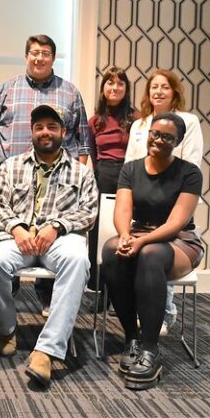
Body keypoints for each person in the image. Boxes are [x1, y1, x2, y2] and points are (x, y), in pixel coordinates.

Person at [0, 105, 97, 387]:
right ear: (32, 132)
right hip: (16, 239)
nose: (45, 132)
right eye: (40, 127)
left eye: (52, 127)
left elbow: (89, 211)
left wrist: (56, 227)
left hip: (60, 240)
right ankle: (7, 329)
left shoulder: (81, 172)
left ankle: (47, 350)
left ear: (63, 132)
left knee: (78, 259)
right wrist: (16, 229)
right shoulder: (10, 166)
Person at [0, 34, 91, 316]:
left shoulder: (70, 93)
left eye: (45, 53)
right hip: (10, 175)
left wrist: (78, 172)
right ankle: (5, 296)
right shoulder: (6, 88)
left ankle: (48, 298)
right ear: (26, 56)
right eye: (34, 52)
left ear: (53, 58)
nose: (39, 58)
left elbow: (82, 138)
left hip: (58, 179)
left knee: (51, 241)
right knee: (10, 239)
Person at [101, 112, 204, 390]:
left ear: (178, 141)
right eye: (155, 134)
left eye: (167, 137)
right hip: (140, 234)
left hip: (179, 240)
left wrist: (142, 242)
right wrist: (124, 236)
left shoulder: (189, 173)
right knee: (111, 251)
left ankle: (150, 349)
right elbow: (122, 210)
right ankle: (131, 339)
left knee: (150, 255)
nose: (158, 140)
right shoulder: (131, 169)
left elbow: (176, 222)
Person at [124, 70, 204, 335]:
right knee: (130, 249)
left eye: (165, 87)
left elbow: (191, 159)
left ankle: (163, 313)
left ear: (174, 92)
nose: (158, 91)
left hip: (174, 195)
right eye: (153, 87)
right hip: (144, 200)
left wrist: (167, 184)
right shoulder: (139, 123)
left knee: (156, 250)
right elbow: (131, 163)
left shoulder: (188, 121)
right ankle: (141, 314)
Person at [87, 67, 139, 282]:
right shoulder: (95, 121)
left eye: (120, 84)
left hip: (129, 175)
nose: (115, 88)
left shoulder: (137, 119)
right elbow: (92, 154)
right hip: (103, 177)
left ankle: (125, 282)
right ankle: (98, 286)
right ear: (103, 88)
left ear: (126, 89)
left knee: (126, 228)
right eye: (110, 83)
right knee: (99, 231)